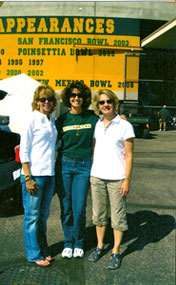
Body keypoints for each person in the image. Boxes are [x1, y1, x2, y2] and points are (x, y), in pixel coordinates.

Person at [88, 89, 135, 270]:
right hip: (97, 176)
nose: (105, 104)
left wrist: (127, 179)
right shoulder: (97, 124)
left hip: (117, 178)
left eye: (108, 101)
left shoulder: (125, 125)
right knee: (98, 215)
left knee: (118, 217)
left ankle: (115, 250)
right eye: (101, 102)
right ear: (98, 106)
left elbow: (129, 156)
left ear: (114, 103)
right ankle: (100, 246)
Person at [55, 80, 98, 259]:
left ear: (84, 98)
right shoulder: (62, 120)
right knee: (66, 207)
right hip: (64, 165)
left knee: (79, 207)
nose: (76, 98)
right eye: (73, 95)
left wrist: (121, 119)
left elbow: (109, 125)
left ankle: (79, 242)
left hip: (83, 166)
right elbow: (47, 138)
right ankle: (68, 242)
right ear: (68, 98)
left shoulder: (93, 118)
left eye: (79, 95)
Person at [19, 85, 57, 267]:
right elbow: (23, 150)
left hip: (49, 174)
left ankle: (43, 248)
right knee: (32, 217)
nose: (46, 102)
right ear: (37, 102)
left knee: (43, 216)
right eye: (42, 99)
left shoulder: (52, 120)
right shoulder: (31, 119)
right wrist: (28, 177)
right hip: (34, 175)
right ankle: (34, 254)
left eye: (49, 99)